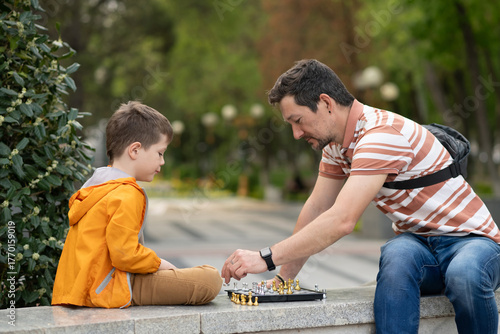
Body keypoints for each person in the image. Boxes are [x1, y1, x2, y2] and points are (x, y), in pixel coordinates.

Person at [221, 59, 500, 333]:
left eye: (298, 121)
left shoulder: (380, 135)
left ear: (326, 104)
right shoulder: (336, 145)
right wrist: (283, 278)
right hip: (420, 246)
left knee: (464, 274)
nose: (296, 134)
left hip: (473, 243)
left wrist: (265, 257)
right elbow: (317, 208)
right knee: (396, 257)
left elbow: (342, 220)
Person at [52, 101, 222, 308]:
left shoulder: (96, 188)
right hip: (108, 289)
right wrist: (161, 264)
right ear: (135, 150)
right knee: (210, 280)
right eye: (160, 153)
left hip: (80, 290)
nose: (163, 162)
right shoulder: (126, 193)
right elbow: (125, 255)